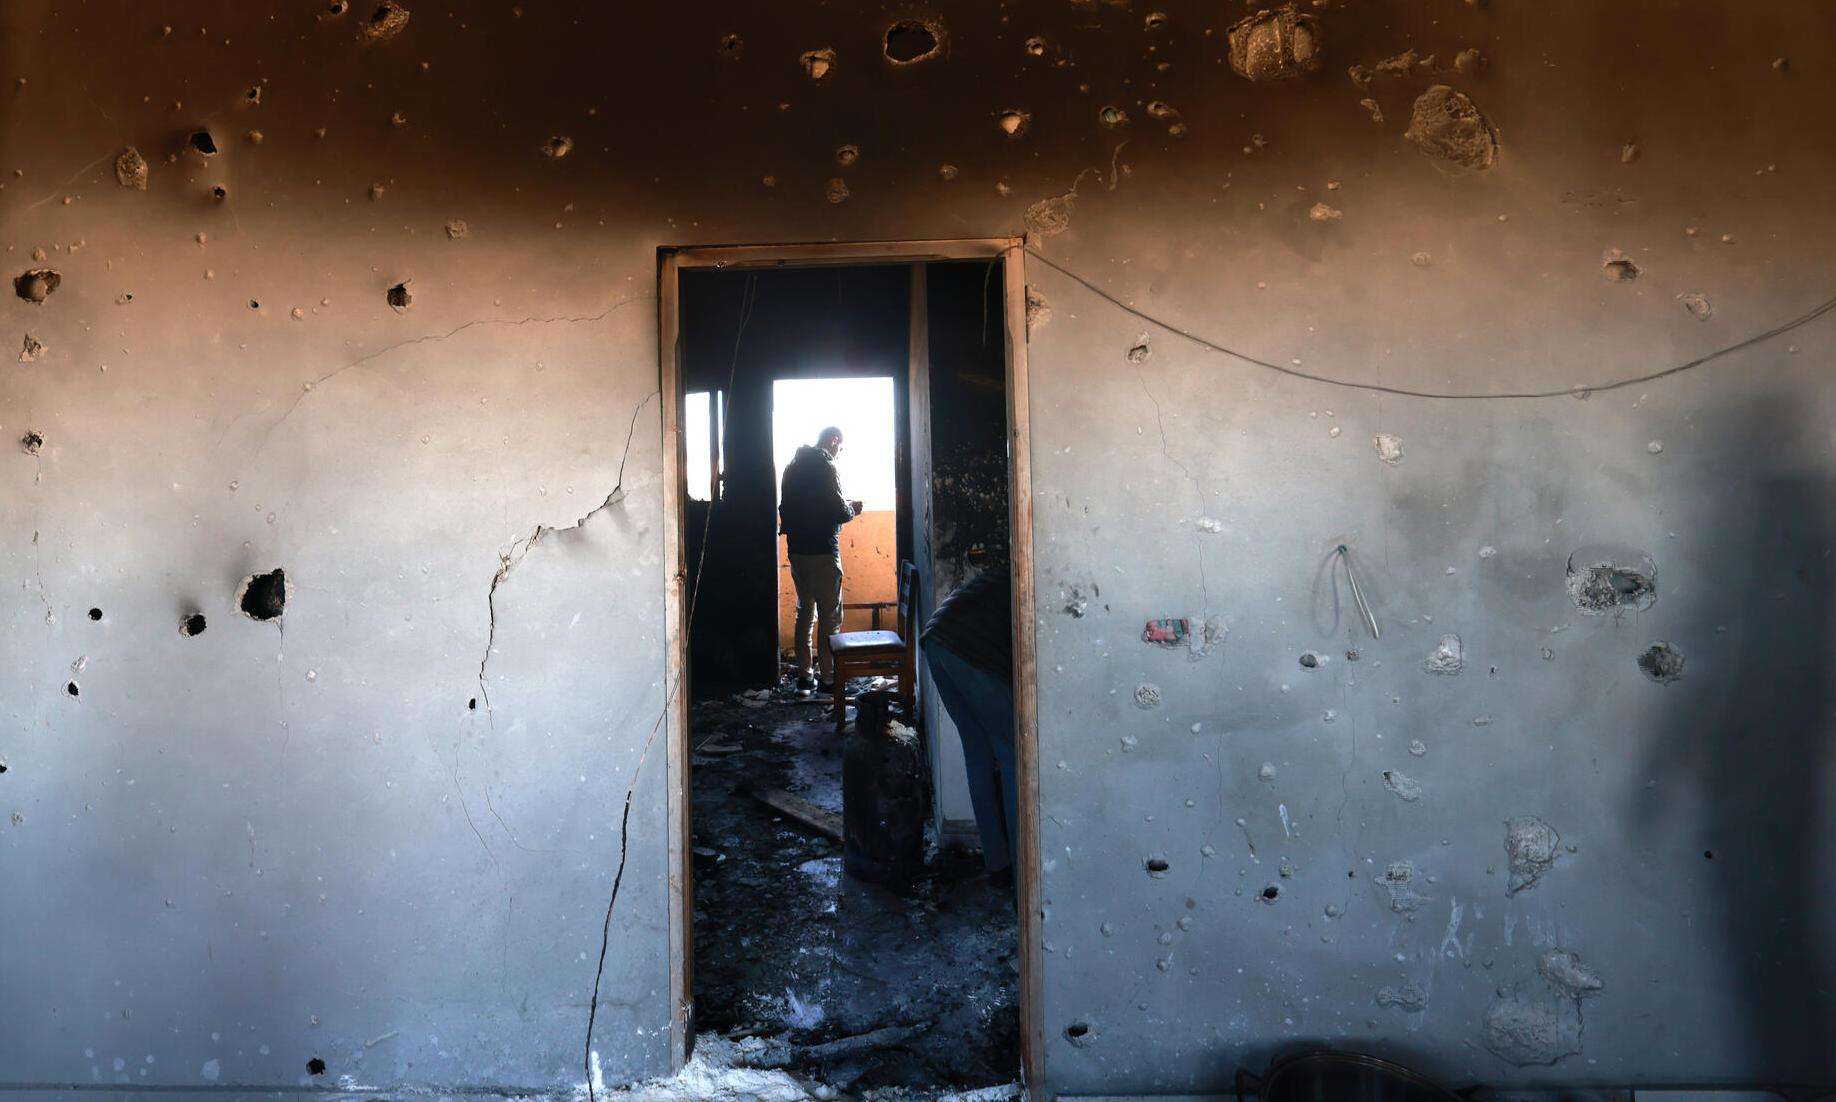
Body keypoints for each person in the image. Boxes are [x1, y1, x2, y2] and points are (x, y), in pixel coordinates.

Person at [922, 560, 1016, 879]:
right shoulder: (1045, 576)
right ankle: (1022, 868)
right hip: (968, 650)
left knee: (977, 752)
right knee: (1012, 756)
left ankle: (998, 862)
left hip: (937, 638)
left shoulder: (1014, 562)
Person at [779, 426, 861, 694]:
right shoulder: (827, 468)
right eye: (840, 446)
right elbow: (838, 510)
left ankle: (805, 676)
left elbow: (792, 508)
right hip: (825, 552)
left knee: (805, 612)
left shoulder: (792, 467)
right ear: (834, 440)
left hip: (798, 552)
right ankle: (828, 678)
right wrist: (853, 509)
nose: (839, 452)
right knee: (830, 617)